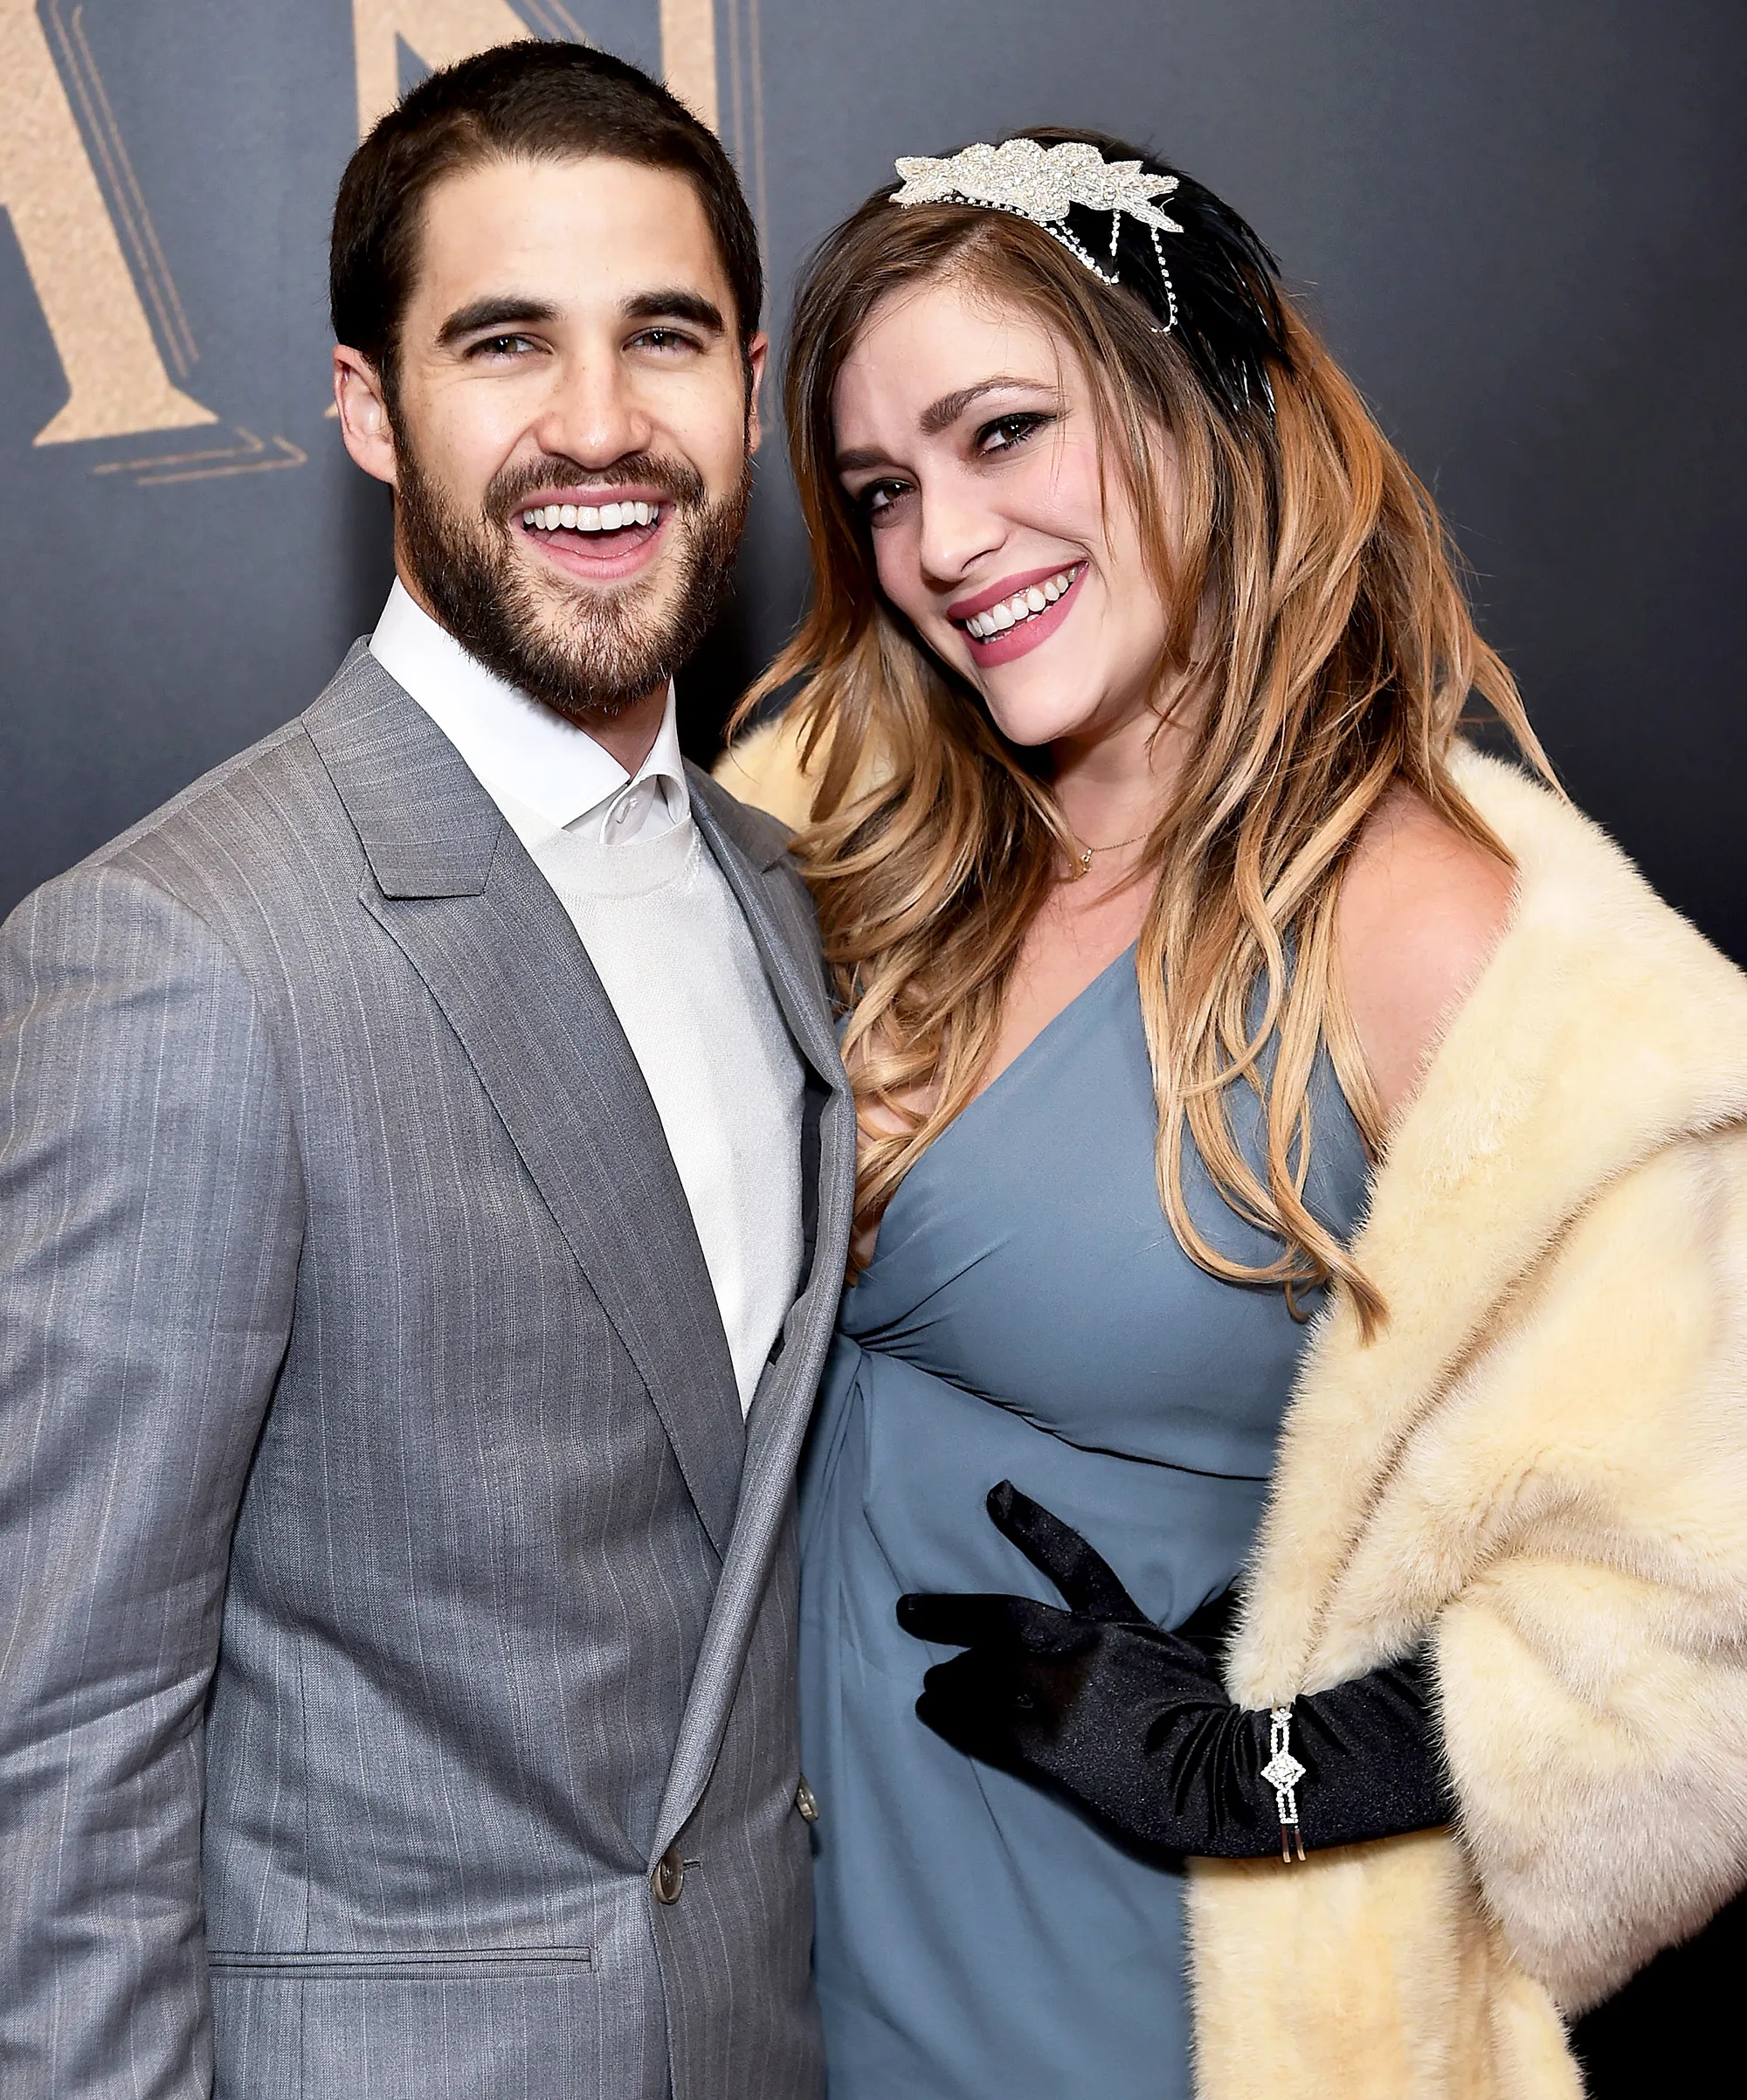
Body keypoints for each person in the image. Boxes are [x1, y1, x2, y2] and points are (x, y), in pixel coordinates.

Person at [719, 131, 1747, 2099]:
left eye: (1004, 430)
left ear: (1213, 398)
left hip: (1149, 2007)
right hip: (793, 1969)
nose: (941, 537)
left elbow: (1700, 1614)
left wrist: (1270, 1765)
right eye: (882, 489)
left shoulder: (1445, 941)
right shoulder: (841, 826)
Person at [0, 43, 852, 2100]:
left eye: (662, 338)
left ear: (745, 388)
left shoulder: (781, 885)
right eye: (502, 343)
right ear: (371, 409)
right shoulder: (182, 954)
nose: (596, 425)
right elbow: (57, 1740)